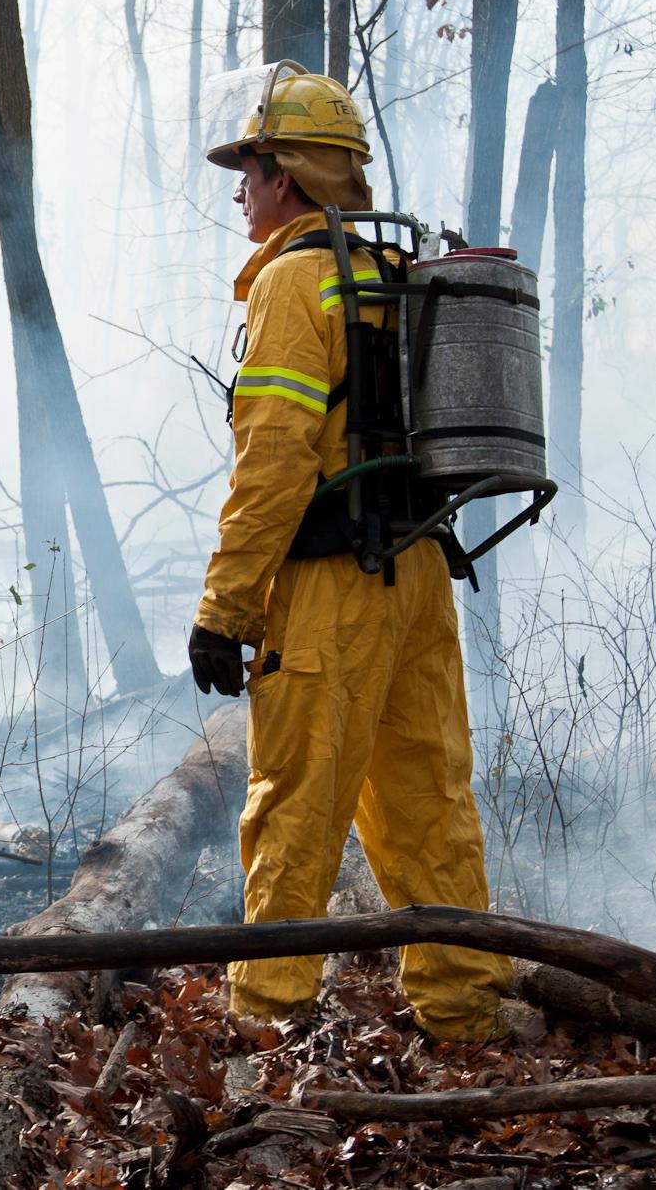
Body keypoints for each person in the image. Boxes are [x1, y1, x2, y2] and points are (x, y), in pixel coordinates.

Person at [189, 65, 511, 1041]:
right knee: (430, 806)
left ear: (284, 174)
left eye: (245, 168)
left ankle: (263, 1033)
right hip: (417, 574)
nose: (239, 190)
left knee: (293, 809)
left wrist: (226, 609)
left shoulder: (295, 282)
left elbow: (275, 464)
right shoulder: (389, 274)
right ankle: (468, 1014)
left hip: (332, 590)